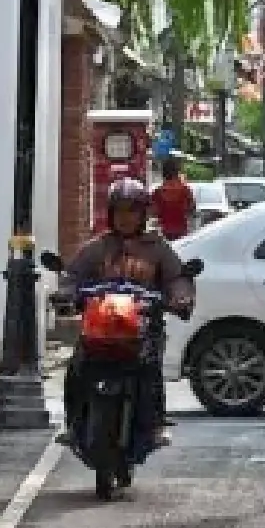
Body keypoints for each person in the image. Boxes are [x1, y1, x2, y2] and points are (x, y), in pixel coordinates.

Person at [60, 176, 192, 466]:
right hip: (100, 329)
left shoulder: (157, 248)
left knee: (151, 373)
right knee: (77, 368)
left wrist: (180, 298)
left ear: (144, 215)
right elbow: (72, 276)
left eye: (132, 211)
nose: (126, 218)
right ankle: (72, 424)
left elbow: (177, 278)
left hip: (143, 329)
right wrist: (66, 294)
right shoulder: (97, 248)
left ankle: (155, 425)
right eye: (120, 211)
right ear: (110, 214)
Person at [152, 156, 196, 240]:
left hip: (165, 233)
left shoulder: (158, 192)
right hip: (182, 232)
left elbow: (154, 212)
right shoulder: (185, 190)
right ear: (176, 172)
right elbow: (192, 210)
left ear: (163, 173)